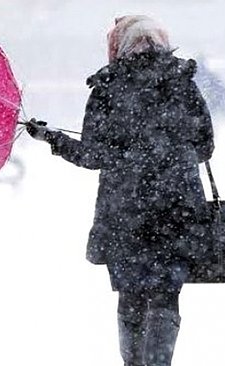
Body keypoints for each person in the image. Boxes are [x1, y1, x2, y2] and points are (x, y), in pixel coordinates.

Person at [25, 15, 214, 366]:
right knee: (166, 295)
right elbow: (204, 147)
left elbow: (91, 156)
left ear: (117, 46)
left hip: (126, 211)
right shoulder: (182, 81)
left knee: (131, 296)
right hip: (178, 209)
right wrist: (169, 152)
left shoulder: (108, 87)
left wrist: (51, 137)